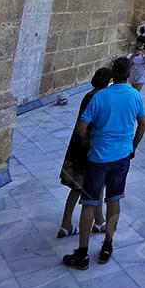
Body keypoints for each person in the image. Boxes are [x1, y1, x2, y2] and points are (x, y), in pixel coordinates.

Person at [62, 56, 145, 270]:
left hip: (98, 156)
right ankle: (108, 245)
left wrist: (89, 141)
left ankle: (82, 253)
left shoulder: (100, 96)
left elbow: (82, 126)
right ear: (128, 74)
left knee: (89, 202)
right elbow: (143, 123)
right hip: (122, 157)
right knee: (114, 200)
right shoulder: (135, 96)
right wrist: (133, 146)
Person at [57, 67, 112, 237]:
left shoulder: (89, 94)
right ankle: (89, 222)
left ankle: (93, 221)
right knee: (90, 184)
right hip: (88, 147)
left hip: (79, 146)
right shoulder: (99, 97)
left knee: (80, 186)